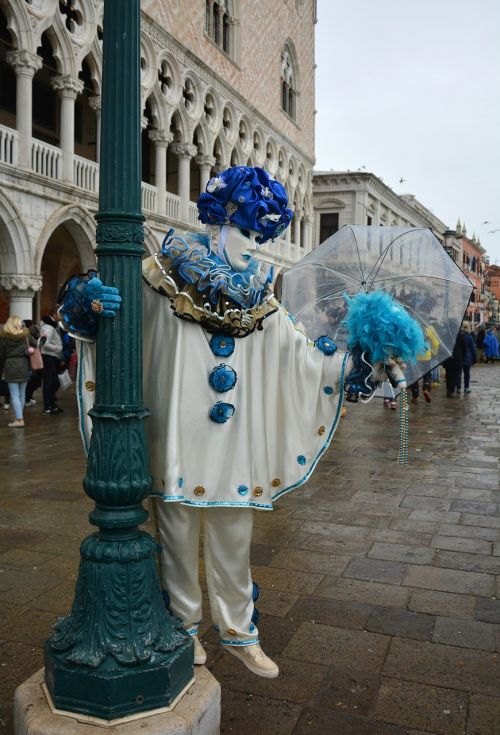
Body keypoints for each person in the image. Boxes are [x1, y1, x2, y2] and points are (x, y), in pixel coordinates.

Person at [59, 166, 424, 679]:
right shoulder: (159, 277)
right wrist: (90, 303)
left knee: (234, 536)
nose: (256, 247)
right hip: (174, 436)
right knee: (177, 536)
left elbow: (301, 359)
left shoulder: (260, 300)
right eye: (250, 233)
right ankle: (183, 627)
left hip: (234, 442)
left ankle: (238, 633)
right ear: (222, 221)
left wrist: (358, 355)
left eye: (263, 236)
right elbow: (110, 329)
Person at [0, 316, 36, 427]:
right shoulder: (26, 335)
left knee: (14, 394)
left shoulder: (4, 337)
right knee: (22, 393)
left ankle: (19, 419)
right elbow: (34, 344)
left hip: (10, 366)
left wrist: (1, 369)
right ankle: (20, 417)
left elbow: (1, 355)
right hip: (24, 365)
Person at [39, 307, 64, 415]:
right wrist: (57, 348)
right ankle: (48, 407)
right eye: (61, 314)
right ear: (55, 314)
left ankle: (51, 404)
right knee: (49, 382)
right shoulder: (48, 327)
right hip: (49, 357)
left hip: (52, 357)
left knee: (53, 381)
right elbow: (43, 343)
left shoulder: (52, 325)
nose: (62, 317)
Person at [443, 330, 466, 397]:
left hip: (448, 358)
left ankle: (448, 390)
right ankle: (451, 390)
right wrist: (463, 357)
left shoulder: (446, 335)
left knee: (448, 375)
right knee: (455, 375)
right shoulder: (460, 336)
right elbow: (464, 348)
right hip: (457, 359)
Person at [457, 322, 476, 394]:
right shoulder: (469, 337)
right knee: (467, 374)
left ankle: (458, 387)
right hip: (468, 358)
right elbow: (473, 348)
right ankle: (466, 387)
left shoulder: (459, 336)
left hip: (460, 357)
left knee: (459, 373)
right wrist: (474, 358)